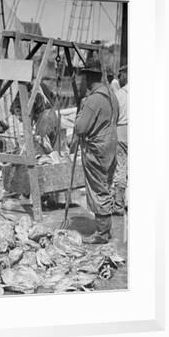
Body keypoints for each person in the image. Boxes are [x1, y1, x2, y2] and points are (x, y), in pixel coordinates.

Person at [74, 59, 119, 244]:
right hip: (110, 146)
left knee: (97, 189)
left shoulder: (93, 99)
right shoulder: (111, 95)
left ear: (88, 78)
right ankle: (105, 230)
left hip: (96, 150)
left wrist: (80, 111)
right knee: (106, 187)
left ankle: (101, 234)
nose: (81, 81)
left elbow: (80, 128)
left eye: (83, 77)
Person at [113, 64, 128, 214]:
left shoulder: (120, 94)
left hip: (122, 129)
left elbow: (114, 116)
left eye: (121, 74)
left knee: (121, 168)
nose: (119, 78)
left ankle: (118, 204)